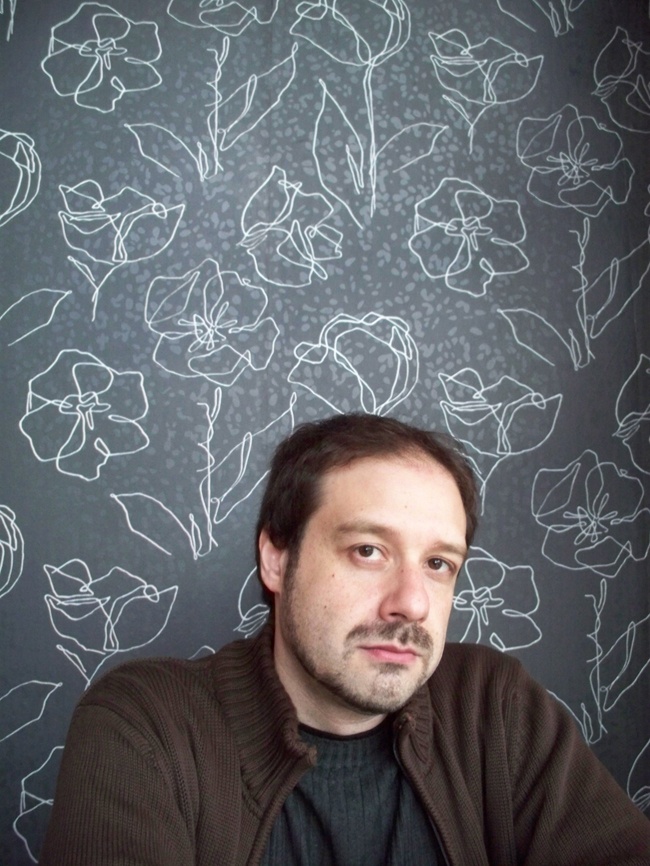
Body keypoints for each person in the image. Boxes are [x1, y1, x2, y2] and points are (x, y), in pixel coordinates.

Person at [40, 413, 650, 865]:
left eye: (439, 564)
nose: (412, 602)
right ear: (277, 558)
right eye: (368, 550)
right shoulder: (147, 726)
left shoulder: (493, 705)